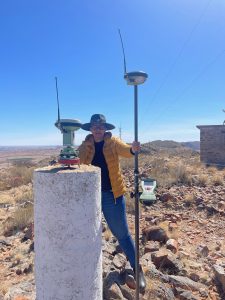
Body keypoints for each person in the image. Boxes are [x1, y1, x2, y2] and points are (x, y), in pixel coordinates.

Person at [79, 114, 146, 291]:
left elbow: (126, 151)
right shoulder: (85, 145)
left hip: (111, 196)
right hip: (89, 196)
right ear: (91, 129)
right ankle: (85, 271)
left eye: (100, 126)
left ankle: (138, 271)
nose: (98, 129)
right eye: (94, 126)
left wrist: (133, 149)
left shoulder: (113, 142)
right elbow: (76, 161)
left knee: (122, 234)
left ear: (105, 128)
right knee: (87, 233)